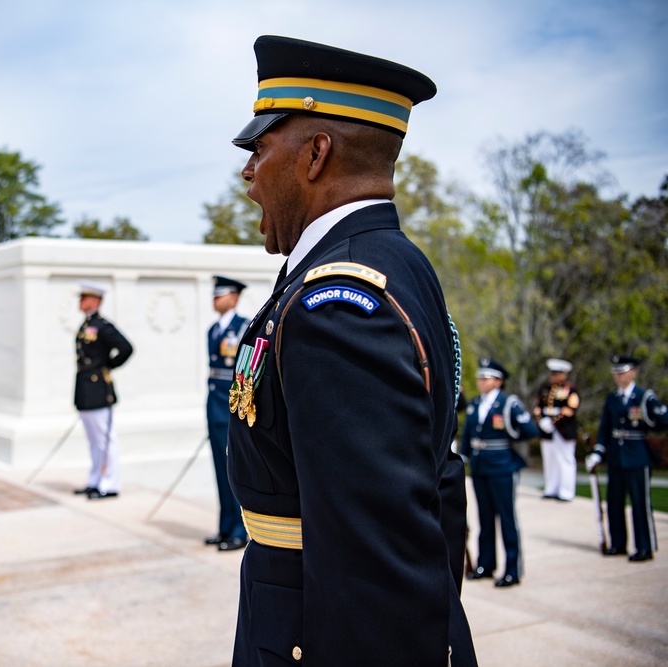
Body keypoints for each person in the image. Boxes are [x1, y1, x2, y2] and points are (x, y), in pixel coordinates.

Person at [225, 35, 475, 665]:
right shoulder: (396, 262)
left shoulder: (335, 303)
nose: (248, 172)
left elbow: (375, 568)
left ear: (315, 154)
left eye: (260, 147)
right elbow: (437, 489)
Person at [461, 358, 540, 589]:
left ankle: (512, 570)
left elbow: (528, 430)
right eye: (480, 377)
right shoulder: (476, 403)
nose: (480, 381)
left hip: (502, 466)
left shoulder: (508, 404)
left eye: (485, 378)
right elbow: (467, 435)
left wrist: (510, 433)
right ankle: (486, 564)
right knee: (485, 518)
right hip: (480, 466)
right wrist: (464, 457)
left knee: (506, 519)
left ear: (498, 381)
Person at [586, 355, 668, 562]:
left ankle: (644, 547)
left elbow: (663, 419)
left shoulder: (643, 397)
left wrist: (651, 423)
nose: (618, 376)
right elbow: (605, 427)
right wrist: (598, 450)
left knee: (640, 503)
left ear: (633, 372)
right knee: (614, 502)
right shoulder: (612, 398)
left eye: (622, 372)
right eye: (615, 372)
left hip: (637, 455)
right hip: (616, 456)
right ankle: (618, 543)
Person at [73, 282, 133, 500]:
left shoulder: (102, 325)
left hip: (98, 388)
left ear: (96, 300)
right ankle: (95, 480)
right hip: (85, 389)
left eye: (84, 297)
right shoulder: (87, 324)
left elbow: (126, 348)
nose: (81, 301)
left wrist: (107, 365)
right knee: (93, 440)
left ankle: (110, 484)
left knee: (105, 439)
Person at [205, 276, 250, 552]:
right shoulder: (212, 329)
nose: (215, 299)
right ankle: (225, 526)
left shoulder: (243, 327)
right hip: (213, 407)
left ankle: (238, 531)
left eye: (220, 294)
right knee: (220, 472)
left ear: (234, 297)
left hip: (231, 408)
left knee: (235, 471)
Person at [533, 358, 580, 501]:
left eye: (557, 373)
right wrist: (541, 421)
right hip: (547, 431)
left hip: (563, 430)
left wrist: (552, 422)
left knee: (565, 461)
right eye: (552, 373)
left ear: (564, 374)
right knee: (549, 460)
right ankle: (551, 489)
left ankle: (566, 491)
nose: (553, 376)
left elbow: (570, 409)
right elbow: (538, 407)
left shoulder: (570, 390)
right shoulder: (544, 389)